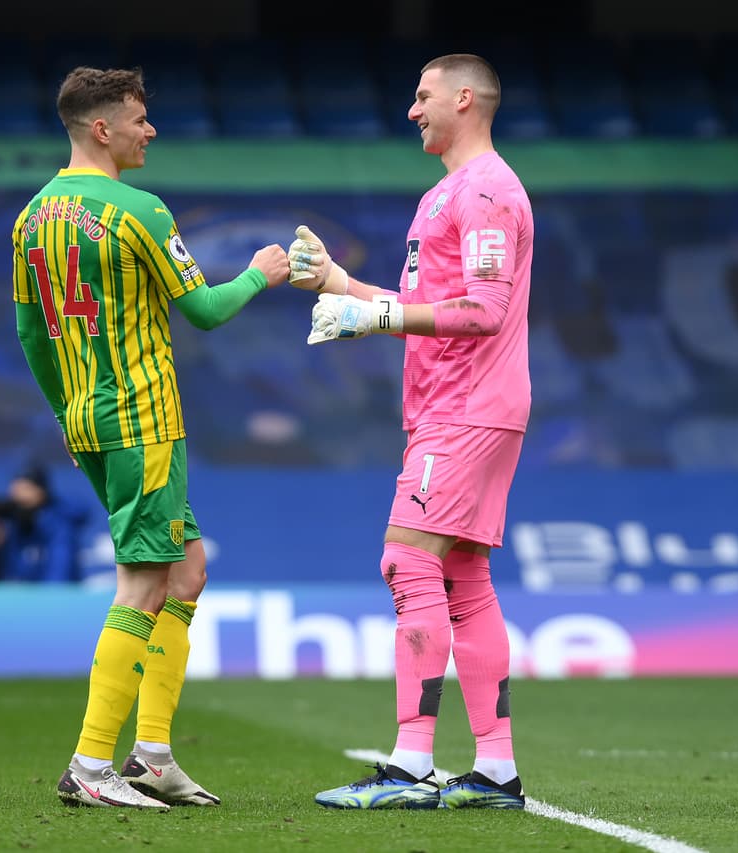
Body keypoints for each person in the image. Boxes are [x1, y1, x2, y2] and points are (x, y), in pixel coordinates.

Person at [12, 66, 289, 810]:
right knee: (142, 582)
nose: (150, 129)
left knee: (187, 569)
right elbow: (202, 309)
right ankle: (92, 765)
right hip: (142, 420)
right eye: (139, 118)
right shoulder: (140, 211)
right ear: (102, 128)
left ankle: (153, 757)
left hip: (90, 420)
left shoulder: (33, 217)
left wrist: (70, 413)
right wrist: (262, 273)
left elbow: (32, 334)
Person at [287, 54, 532, 810]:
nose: (411, 110)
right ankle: (494, 771)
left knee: (406, 562)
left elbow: (485, 310)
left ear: (465, 98)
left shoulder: (487, 190)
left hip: (466, 407)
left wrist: (380, 316)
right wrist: (342, 285)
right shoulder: (444, 196)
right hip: (453, 406)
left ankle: (410, 765)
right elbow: (427, 307)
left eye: (423, 96)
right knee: (463, 576)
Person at [0, 465, 91, 584]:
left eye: (25, 489)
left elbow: (60, 576)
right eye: (15, 492)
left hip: (51, 598)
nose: (19, 498)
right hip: (17, 598)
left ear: (41, 492)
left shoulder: (59, 525)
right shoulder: (10, 526)